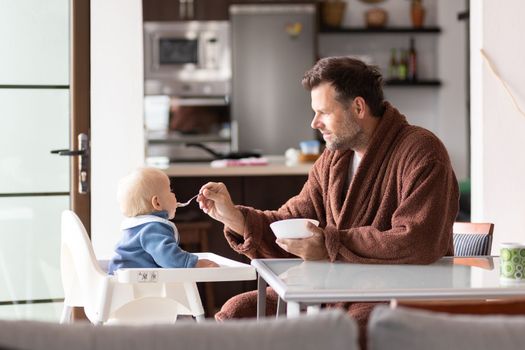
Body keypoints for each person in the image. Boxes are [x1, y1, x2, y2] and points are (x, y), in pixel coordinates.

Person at [196, 57, 459, 346]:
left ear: (358, 107)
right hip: (330, 293)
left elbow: (418, 240)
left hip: (393, 295)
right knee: (238, 312)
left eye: (323, 112)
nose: (314, 122)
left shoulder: (421, 151)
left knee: (344, 332)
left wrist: (329, 244)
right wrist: (234, 217)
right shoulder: (333, 159)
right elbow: (293, 221)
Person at [108, 167, 217, 274]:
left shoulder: (137, 227)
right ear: (157, 203)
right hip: (132, 282)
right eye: (170, 190)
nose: (174, 194)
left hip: (123, 278)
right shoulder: (152, 228)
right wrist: (193, 263)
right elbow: (168, 256)